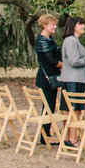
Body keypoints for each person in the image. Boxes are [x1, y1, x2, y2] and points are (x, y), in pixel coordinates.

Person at [59, 17, 85, 147]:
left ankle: (69, 137)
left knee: (74, 110)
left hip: (76, 79)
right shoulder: (70, 41)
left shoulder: (75, 41)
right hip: (72, 80)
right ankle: (72, 139)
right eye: (81, 24)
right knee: (73, 110)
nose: (83, 27)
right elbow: (74, 61)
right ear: (74, 25)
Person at [33, 14, 62, 142]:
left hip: (52, 77)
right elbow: (52, 60)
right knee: (48, 107)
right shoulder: (42, 40)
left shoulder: (49, 39)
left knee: (50, 106)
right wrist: (65, 65)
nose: (55, 27)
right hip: (46, 79)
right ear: (45, 25)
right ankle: (44, 137)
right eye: (52, 24)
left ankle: (46, 135)